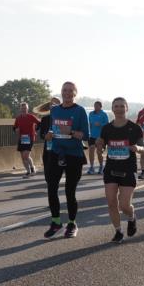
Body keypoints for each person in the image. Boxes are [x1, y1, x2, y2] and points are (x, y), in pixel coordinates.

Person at [39, 82, 90, 238]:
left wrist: (72, 132)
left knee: (70, 191)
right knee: (51, 188)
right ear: (61, 92)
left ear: (75, 93)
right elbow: (51, 130)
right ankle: (55, 222)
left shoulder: (80, 111)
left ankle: (72, 224)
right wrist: (48, 135)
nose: (67, 93)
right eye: (64, 91)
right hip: (56, 153)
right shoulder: (55, 110)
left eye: (70, 91)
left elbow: (86, 136)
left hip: (74, 155)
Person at [96, 97, 144, 242]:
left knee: (124, 205)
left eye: (122, 106)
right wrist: (99, 146)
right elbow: (102, 149)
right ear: (112, 109)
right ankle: (118, 231)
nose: (119, 109)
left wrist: (137, 148)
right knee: (111, 202)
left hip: (128, 168)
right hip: (111, 168)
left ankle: (131, 216)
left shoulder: (135, 128)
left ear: (127, 108)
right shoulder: (106, 128)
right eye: (116, 106)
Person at [14, 102, 41, 178]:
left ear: (27, 109)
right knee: (23, 157)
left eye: (25, 108)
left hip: (29, 137)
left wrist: (35, 131)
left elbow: (39, 123)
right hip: (22, 138)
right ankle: (28, 171)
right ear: (20, 109)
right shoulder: (18, 118)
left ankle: (32, 169)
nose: (24, 109)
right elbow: (14, 127)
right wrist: (16, 130)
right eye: (22, 108)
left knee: (26, 155)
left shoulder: (31, 116)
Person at [87, 101, 109, 175]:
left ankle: (101, 166)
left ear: (100, 106)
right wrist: (89, 133)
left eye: (97, 106)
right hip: (92, 136)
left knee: (99, 152)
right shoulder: (91, 114)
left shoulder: (104, 114)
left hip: (100, 136)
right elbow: (90, 124)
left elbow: (107, 125)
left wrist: (100, 124)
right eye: (94, 105)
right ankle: (92, 167)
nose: (95, 107)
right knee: (91, 150)